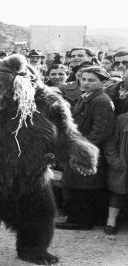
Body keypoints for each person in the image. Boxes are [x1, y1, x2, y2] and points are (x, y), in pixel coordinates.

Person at [56, 66, 116, 230]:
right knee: (77, 183)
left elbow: (102, 131)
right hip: (82, 147)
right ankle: (79, 218)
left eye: (92, 80)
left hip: (89, 150)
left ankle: (81, 220)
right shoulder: (88, 97)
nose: (86, 83)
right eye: (84, 79)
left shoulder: (101, 100)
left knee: (84, 184)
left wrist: (82, 148)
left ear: (103, 82)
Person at [104, 111, 128, 235]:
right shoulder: (122, 119)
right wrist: (115, 161)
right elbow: (110, 142)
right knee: (118, 192)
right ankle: (111, 221)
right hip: (123, 165)